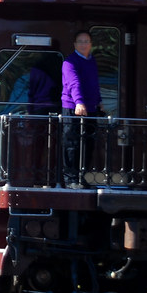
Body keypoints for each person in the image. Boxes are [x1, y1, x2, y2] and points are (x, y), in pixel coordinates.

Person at [61, 30, 102, 187]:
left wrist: (98, 101)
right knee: (72, 143)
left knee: (88, 143)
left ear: (91, 44)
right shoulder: (70, 62)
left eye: (86, 41)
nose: (83, 44)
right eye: (80, 41)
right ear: (75, 44)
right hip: (73, 108)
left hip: (90, 108)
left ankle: (81, 176)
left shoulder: (91, 61)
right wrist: (78, 102)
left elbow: (94, 83)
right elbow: (74, 83)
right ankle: (70, 179)